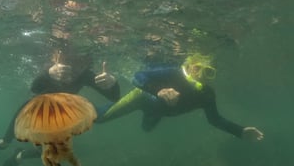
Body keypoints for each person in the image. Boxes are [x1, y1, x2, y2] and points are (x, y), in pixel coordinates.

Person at [0, 47, 120, 166]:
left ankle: (19, 156)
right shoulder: (52, 67)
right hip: (36, 109)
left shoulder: (85, 74)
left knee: (49, 153)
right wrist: (48, 73)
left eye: (82, 63)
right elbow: (35, 89)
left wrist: (112, 83)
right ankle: (3, 142)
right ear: (58, 57)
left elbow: (114, 96)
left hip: (59, 113)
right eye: (71, 61)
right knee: (26, 117)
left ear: (87, 63)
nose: (75, 68)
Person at [96, 53, 264, 141]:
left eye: (208, 72)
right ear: (189, 66)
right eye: (197, 68)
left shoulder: (206, 95)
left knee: (146, 129)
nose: (201, 75)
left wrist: (239, 131)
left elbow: (214, 120)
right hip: (142, 97)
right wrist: (157, 91)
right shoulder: (173, 73)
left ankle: (149, 114)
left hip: (157, 111)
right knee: (100, 117)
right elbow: (138, 76)